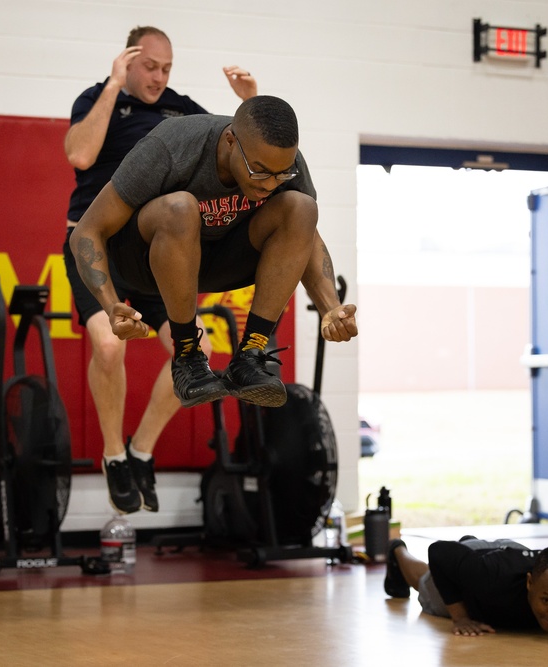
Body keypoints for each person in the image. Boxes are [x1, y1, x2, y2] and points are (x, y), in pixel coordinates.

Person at [62, 26, 257, 515]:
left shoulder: (180, 107)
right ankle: (112, 456)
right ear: (128, 61)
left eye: (166, 68)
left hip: (150, 250)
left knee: (201, 352)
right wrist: (111, 85)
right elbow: (80, 155)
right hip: (99, 244)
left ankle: (140, 451)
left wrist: (249, 103)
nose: (158, 77)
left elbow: (238, 147)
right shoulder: (96, 98)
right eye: (149, 66)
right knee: (108, 344)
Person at [70, 94, 358, 417]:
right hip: (143, 261)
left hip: (215, 261)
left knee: (303, 208)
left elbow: (307, 236)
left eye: (281, 174)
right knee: (181, 208)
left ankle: (250, 354)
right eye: (260, 172)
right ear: (231, 141)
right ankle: (187, 356)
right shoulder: (171, 145)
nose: (270, 184)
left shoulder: (284, 165)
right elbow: (85, 232)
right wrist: (110, 305)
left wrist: (329, 307)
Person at [383, 536, 548, 636]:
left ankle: (466, 548)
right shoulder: (491, 580)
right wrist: (460, 617)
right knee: (426, 586)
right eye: (546, 600)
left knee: (468, 566)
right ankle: (397, 550)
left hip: (501, 554)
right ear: (529, 582)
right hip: (484, 562)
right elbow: (439, 551)